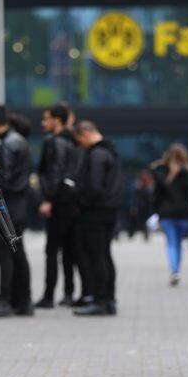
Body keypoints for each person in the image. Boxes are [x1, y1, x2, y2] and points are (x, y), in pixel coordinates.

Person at [36, 104, 90, 308]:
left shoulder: (54, 141)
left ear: (57, 120)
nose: (43, 123)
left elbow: (54, 172)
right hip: (74, 199)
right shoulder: (76, 141)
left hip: (59, 200)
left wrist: (48, 198)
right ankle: (81, 292)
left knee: (52, 249)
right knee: (73, 248)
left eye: (46, 118)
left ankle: (49, 295)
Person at [0, 104, 33, 317]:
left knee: (5, 253)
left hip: (7, 206)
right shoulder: (19, 140)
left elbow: (4, 179)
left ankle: (5, 301)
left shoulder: (7, 145)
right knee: (17, 252)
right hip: (18, 204)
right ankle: (23, 301)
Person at [72, 121, 125, 316]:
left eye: (79, 140)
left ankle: (101, 300)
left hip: (95, 211)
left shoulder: (96, 155)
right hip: (109, 210)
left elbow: (94, 187)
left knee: (97, 256)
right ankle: (108, 299)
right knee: (105, 254)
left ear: (85, 134)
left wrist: (79, 195)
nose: (80, 145)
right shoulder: (111, 152)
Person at [151, 143, 188, 286]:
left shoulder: (160, 172)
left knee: (171, 243)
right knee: (178, 243)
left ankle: (174, 271)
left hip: (166, 213)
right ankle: (176, 270)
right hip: (184, 213)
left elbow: (156, 196)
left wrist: (157, 210)